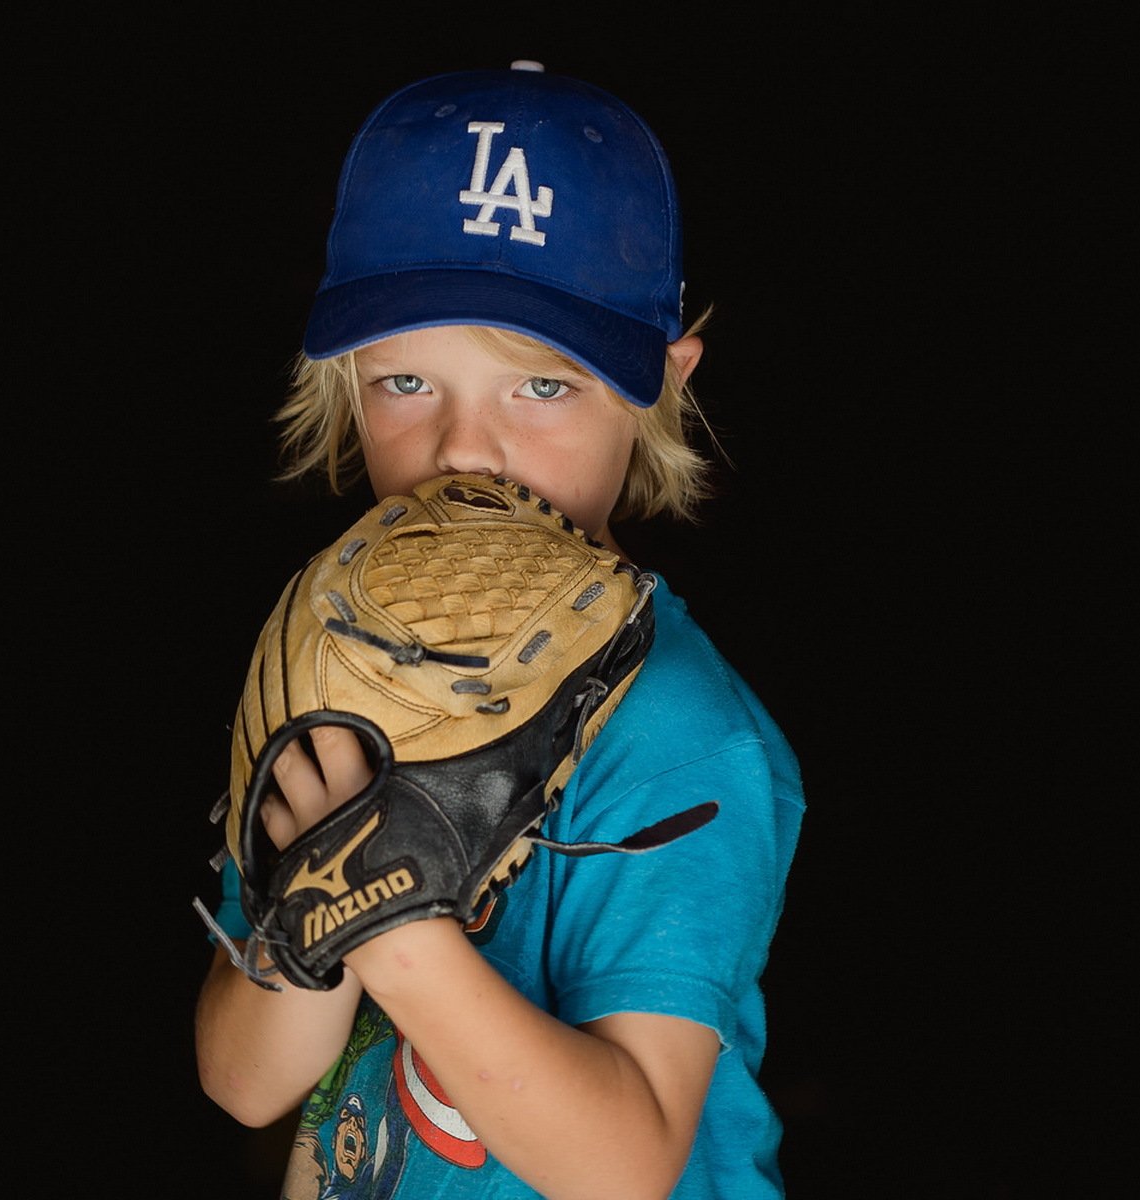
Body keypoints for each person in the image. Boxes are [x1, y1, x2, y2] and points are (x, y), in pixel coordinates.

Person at [193, 61, 805, 1199]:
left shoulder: (680, 732)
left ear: (660, 386)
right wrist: (305, 920)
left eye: (543, 387)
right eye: (409, 379)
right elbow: (246, 1083)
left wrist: (388, 920)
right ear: (341, 381)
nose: (465, 449)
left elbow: (624, 1165)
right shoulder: (335, 662)